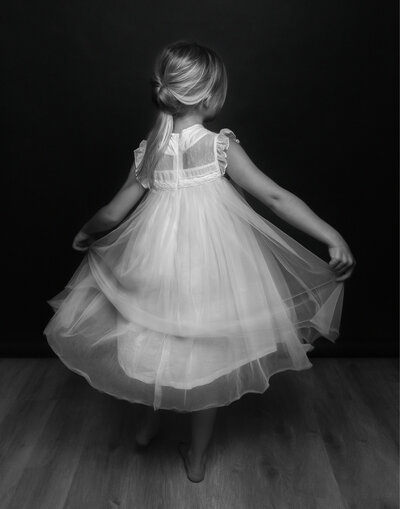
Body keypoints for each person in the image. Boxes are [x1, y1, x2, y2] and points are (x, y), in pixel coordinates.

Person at [44, 40, 356, 483]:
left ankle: (149, 425)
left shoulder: (148, 150)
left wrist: (86, 232)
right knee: (207, 351)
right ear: (209, 97)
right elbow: (274, 196)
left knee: (158, 340)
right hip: (212, 265)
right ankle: (197, 454)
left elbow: (113, 214)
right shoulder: (218, 147)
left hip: (157, 264)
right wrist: (331, 234)